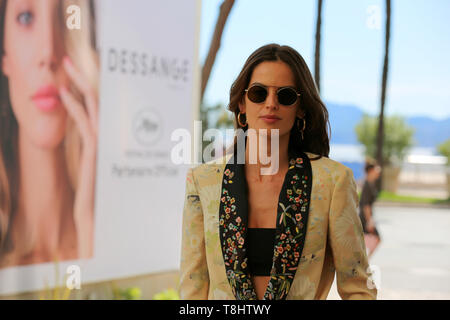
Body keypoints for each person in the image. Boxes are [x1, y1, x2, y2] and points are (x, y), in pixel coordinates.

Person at [179, 44, 376, 300]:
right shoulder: (203, 181)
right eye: (259, 93)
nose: (271, 104)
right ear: (241, 104)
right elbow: (192, 289)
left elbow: (358, 287)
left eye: (285, 96)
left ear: (301, 108)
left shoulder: (333, 181)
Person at [0, 0, 99, 268]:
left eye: (67, 19)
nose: (48, 54)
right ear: (4, 57)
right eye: (25, 18)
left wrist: (87, 221)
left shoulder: (102, 236)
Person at [359, 160, 382, 259]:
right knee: (377, 239)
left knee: (362, 240)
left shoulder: (370, 183)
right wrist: (369, 220)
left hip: (366, 217)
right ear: (371, 170)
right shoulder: (367, 185)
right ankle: (364, 262)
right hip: (365, 218)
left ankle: (363, 261)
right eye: (377, 169)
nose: (379, 171)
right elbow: (366, 205)